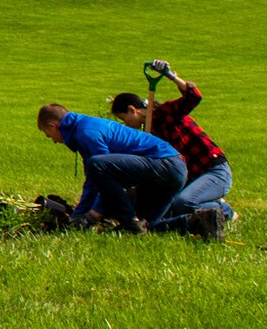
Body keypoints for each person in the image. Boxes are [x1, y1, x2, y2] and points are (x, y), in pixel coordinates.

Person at [109, 60, 233, 238]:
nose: (125, 124)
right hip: (191, 178)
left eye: (123, 118)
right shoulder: (147, 133)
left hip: (213, 169)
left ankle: (224, 209)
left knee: (183, 204)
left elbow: (194, 97)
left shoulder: (165, 113)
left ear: (132, 110)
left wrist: (170, 76)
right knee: (170, 208)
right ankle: (209, 202)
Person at [38, 102, 185, 234]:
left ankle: (129, 221)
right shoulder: (84, 127)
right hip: (175, 170)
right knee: (144, 228)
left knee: (97, 165)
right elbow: (95, 180)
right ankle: (195, 221)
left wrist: (94, 214)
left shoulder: (86, 133)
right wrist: (77, 215)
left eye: (49, 135)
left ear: (53, 126)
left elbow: (101, 170)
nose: (54, 142)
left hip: (165, 163)